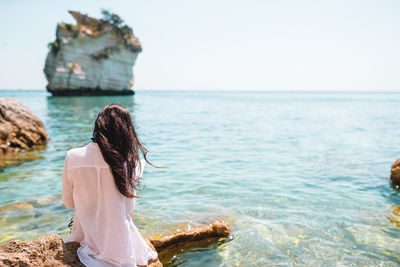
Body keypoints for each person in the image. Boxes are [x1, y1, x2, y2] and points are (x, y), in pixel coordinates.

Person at [61, 103, 158, 267]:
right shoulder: (128, 162)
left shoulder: (73, 156)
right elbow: (128, 209)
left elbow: (68, 202)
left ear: (98, 126)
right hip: (119, 246)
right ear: (126, 131)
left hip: (85, 234)